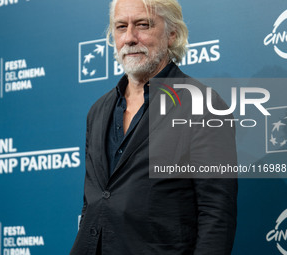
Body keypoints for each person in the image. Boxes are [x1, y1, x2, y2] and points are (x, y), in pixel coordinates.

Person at [70, 0, 238, 254]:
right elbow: (95, 200)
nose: (129, 38)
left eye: (142, 25)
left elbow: (216, 214)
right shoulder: (98, 111)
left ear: (172, 34)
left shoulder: (203, 105)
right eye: (120, 27)